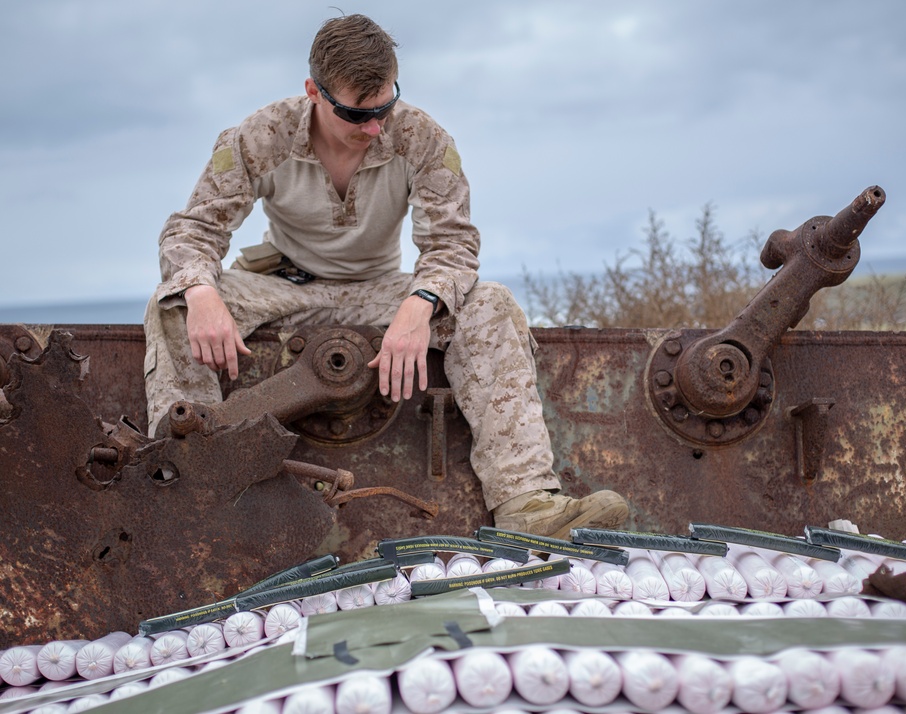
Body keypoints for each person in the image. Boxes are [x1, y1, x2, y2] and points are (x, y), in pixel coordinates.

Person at [143, 14, 628, 540]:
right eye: (355, 113)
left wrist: (419, 306)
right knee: (173, 305)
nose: (374, 127)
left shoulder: (420, 137)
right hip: (282, 286)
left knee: (490, 304)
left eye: (384, 107)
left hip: (379, 290)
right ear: (313, 92)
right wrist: (201, 290)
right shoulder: (260, 136)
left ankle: (528, 507)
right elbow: (193, 231)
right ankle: (188, 496)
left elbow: (453, 244)